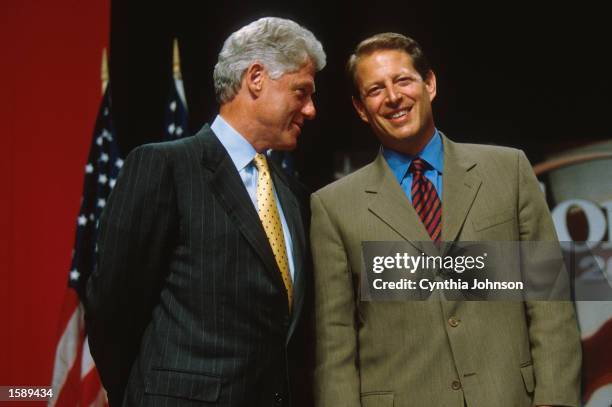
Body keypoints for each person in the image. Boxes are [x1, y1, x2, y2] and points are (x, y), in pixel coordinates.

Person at [310, 33, 581, 407]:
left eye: (403, 80)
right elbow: (335, 344)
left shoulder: (508, 170)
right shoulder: (333, 207)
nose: (392, 97)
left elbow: (550, 301)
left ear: (430, 84)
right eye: (375, 89)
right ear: (360, 108)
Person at [85, 17, 325, 407]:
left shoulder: (295, 196)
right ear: (256, 78)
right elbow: (112, 310)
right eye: (302, 92)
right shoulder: (164, 167)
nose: (311, 110)